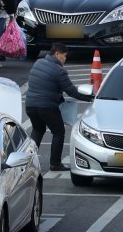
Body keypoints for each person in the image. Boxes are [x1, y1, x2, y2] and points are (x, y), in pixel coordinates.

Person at [25, 43, 94, 171]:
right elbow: (72, 91)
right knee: (58, 132)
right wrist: (90, 98)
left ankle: (27, 162)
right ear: (57, 54)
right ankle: (55, 164)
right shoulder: (59, 71)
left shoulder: (38, 63)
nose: (65, 59)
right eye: (64, 56)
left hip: (30, 105)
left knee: (38, 131)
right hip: (47, 107)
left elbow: (45, 84)